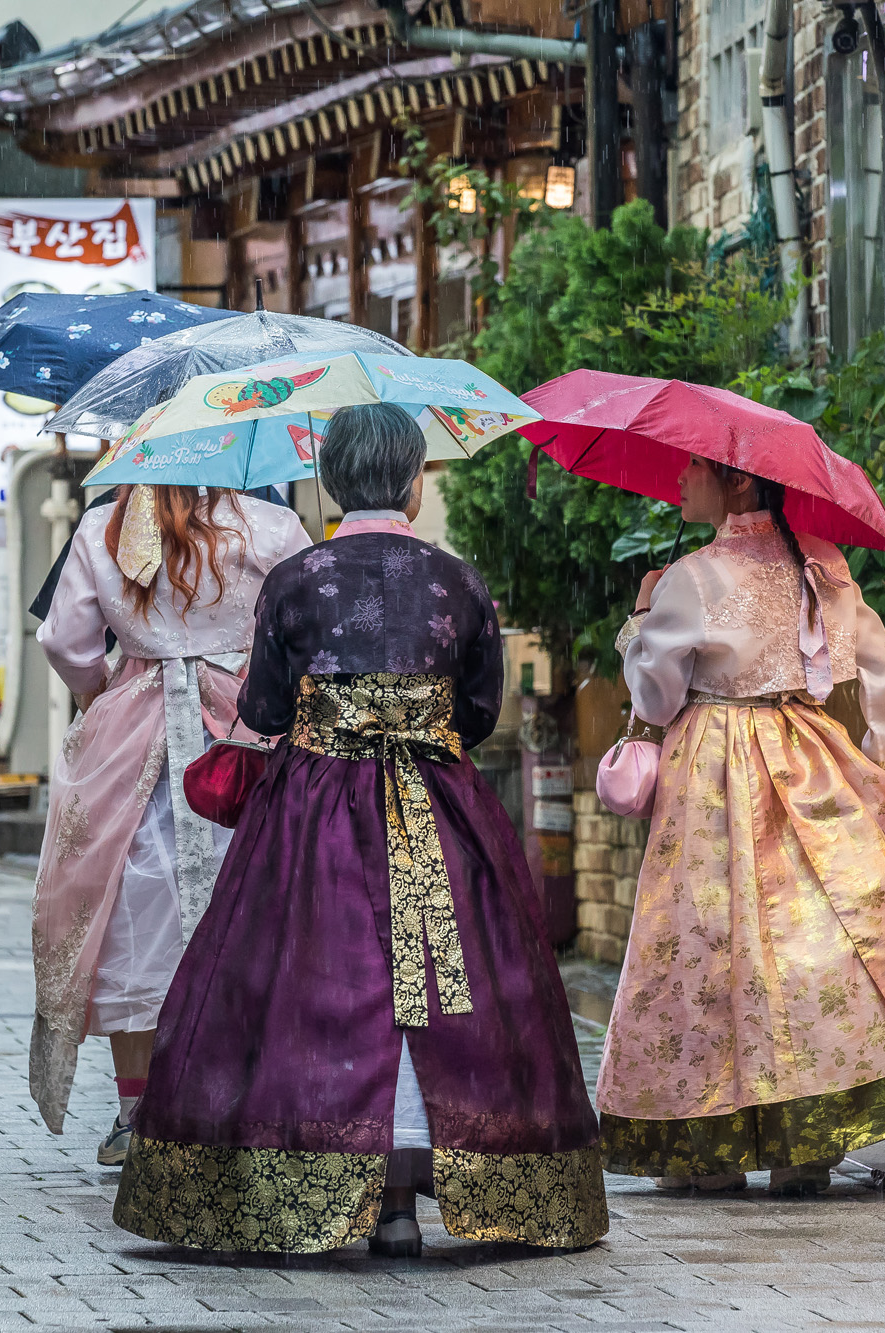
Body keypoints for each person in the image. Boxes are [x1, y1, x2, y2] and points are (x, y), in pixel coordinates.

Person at [114, 403, 607, 1256]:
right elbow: (480, 709)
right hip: (440, 809)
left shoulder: (298, 578)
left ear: (331, 483)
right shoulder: (458, 581)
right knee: (446, 984)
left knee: (316, 976)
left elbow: (264, 707)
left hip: (313, 810)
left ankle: (324, 1179)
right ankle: (419, 1186)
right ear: (414, 484)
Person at [596, 456, 885, 1194]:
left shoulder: (690, 578)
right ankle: (808, 1140)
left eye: (695, 469)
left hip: (713, 772)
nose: (677, 478)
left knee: (710, 947)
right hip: (810, 756)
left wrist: (640, 619)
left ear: (738, 482)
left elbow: (657, 691)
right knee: (817, 940)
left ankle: (711, 1145)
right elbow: (882, 664)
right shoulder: (822, 568)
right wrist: (880, 744)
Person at [29, 481, 309, 1164]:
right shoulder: (272, 524)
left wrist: (108, 693)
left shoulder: (108, 525)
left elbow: (66, 641)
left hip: (131, 733)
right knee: (250, 906)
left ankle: (136, 1109)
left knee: (130, 913)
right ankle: (235, 1100)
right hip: (238, 729)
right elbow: (304, 631)